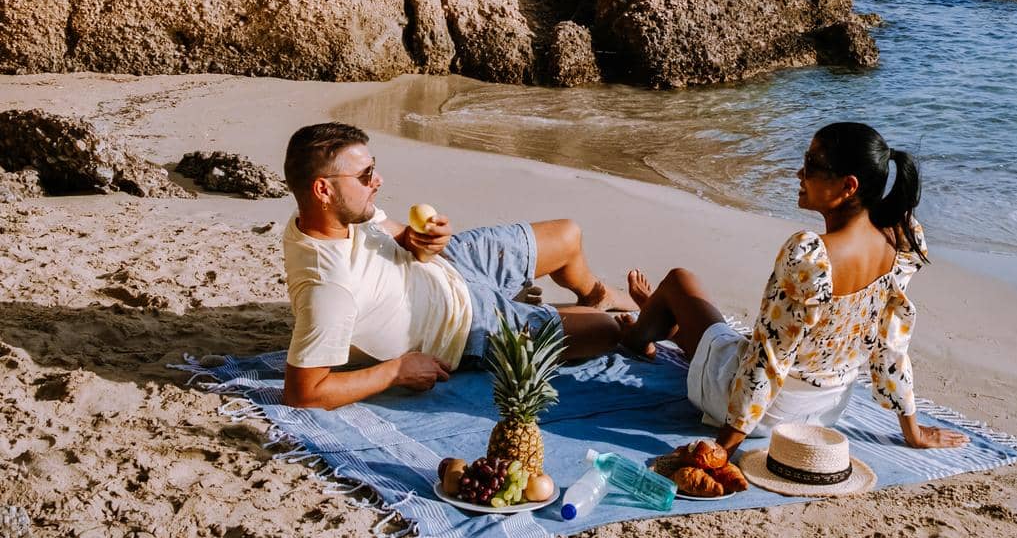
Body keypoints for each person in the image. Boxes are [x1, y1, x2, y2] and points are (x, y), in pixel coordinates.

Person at [621, 121, 968, 455]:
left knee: (680, 282)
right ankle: (664, 324)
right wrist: (913, 431)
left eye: (812, 165)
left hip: (765, 411)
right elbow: (891, 344)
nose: (799, 174)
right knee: (721, 336)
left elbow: (769, 360)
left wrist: (723, 448)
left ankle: (639, 335)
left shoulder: (810, 254)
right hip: (825, 411)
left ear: (848, 186)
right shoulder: (899, 240)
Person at [280, 122, 634, 409]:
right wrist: (395, 371)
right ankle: (561, 311)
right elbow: (304, 393)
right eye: (366, 174)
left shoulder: (334, 215)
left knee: (568, 235)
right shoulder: (329, 290)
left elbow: (399, 236)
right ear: (323, 190)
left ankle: (596, 294)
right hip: (467, 325)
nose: (378, 180)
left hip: (451, 264)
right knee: (607, 331)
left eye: (374, 167)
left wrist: (422, 240)